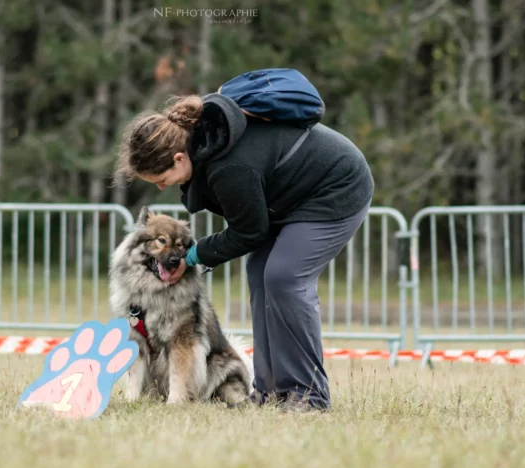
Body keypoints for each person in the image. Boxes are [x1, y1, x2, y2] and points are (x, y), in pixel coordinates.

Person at [113, 91, 374, 413]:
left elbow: (248, 232)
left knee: (284, 279)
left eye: (161, 179)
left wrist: (191, 257)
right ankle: (268, 391)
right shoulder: (206, 151)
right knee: (260, 275)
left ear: (179, 159)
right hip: (287, 200)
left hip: (335, 189)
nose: (161, 187)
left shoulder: (228, 167)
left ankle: (309, 396)